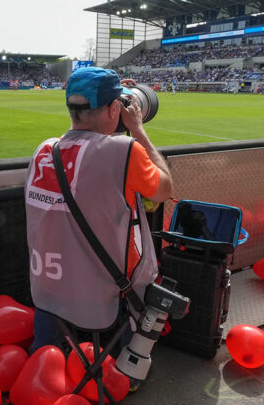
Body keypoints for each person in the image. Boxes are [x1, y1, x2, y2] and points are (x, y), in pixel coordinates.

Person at [24, 67, 173, 363]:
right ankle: (128, 367)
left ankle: (43, 355)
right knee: (147, 275)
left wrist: (109, 92)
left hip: (49, 287)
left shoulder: (43, 151)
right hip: (107, 292)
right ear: (114, 109)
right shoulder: (125, 151)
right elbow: (163, 191)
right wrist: (138, 129)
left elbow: (82, 141)